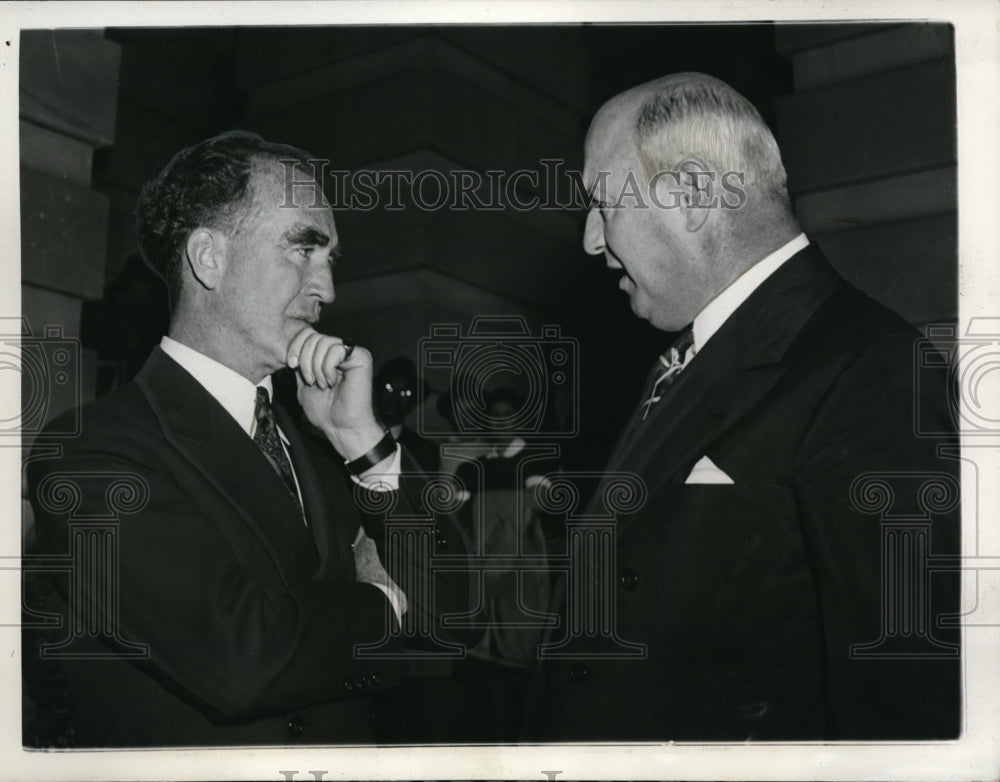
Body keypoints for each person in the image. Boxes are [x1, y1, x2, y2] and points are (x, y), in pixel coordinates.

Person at [525, 73, 960, 741]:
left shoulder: (870, 367)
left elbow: (903, 698)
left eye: (602, 201)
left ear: (694, 194)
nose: (590, 238)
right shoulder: (688, 358)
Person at [23, 131, 474, 747]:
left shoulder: (320, 442)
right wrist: (387, 602)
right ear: (209, 257)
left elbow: (458, 609)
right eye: (303, 249)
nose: (328, 290)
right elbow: (243, 660)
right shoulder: (92, 451)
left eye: (331, 260)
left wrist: (361, 441)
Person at [372, 355, 441, 475]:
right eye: (389, 388)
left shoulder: (426, 453)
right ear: (377, 392)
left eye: (405, 393)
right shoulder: (354, 440)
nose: (395, 398)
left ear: (412, 403)